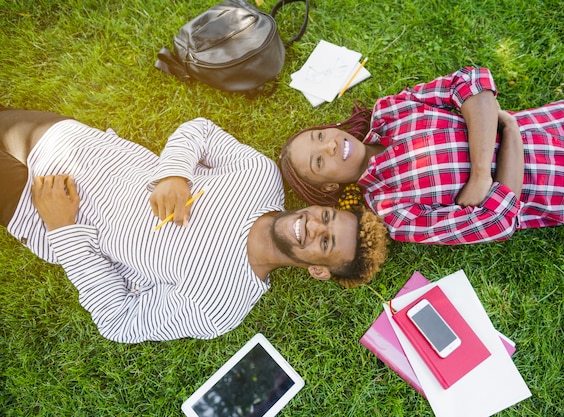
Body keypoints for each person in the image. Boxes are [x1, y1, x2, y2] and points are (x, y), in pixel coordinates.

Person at [0, 107, 389, 343]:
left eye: (326, 242)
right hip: (72, 145)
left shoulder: (220, 308)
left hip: (34, 209)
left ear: (318, 270)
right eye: (326, 216)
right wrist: (174, 175)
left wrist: (63, 229)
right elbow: (200, 131)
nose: (315, 226)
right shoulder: (260, 176)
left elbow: (117, 319)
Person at [279, 66, 564, 245]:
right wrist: (510, 134)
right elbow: (495, 222)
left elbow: (471, 84)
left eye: (319, 136)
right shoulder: (393, 212)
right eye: (319, 161)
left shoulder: (390, 111)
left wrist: (481, 176)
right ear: (327, 188)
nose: (328, 145)